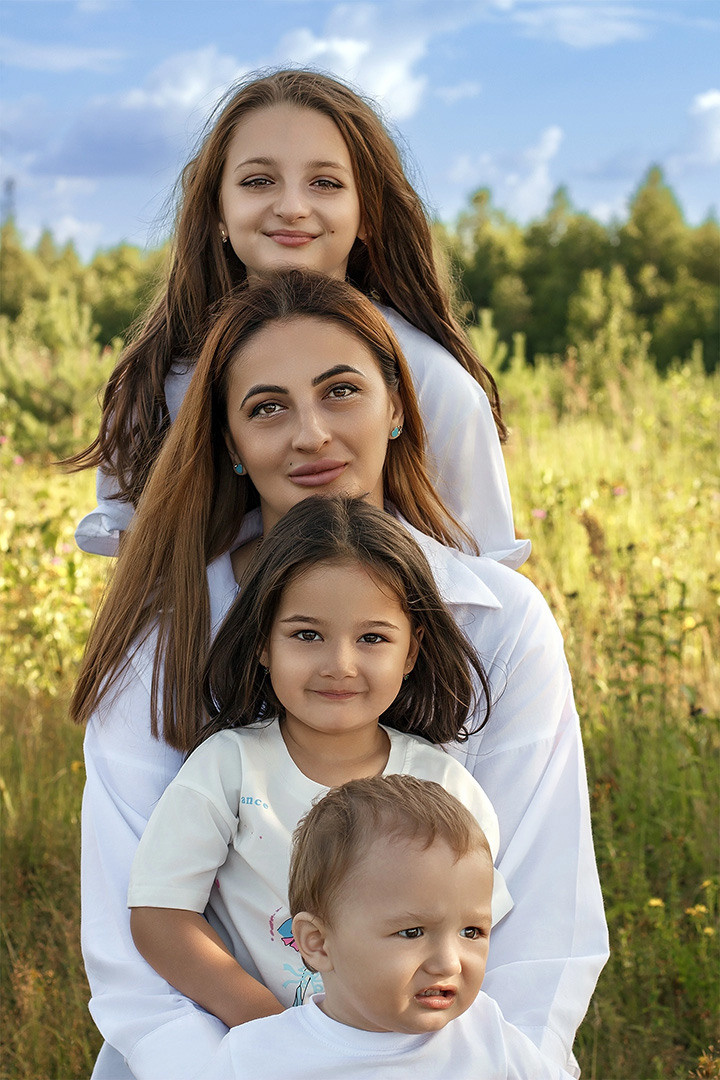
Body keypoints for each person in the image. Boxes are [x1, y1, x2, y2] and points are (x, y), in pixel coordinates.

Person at [75, 271, 608, 1080]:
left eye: (342, 391)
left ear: (396, 405)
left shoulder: (500, 621)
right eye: (267, 407)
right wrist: (285, 1055)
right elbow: (136, 945)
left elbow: (536, 935)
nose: (312, 434)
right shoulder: (166, 634)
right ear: (227, 438)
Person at [67, 67, 527, 567]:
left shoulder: (435, 384)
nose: (291, 207)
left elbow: (483, 598)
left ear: (367, 212)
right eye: (258, 181)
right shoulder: (158, 385)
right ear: (218, 209)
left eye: (325, 182)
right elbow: (141, 591)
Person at [127, 495, 512, 1024]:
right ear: (263, 641)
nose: (340, 665)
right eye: (307, 635)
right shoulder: (229, 768)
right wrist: (270, 1028)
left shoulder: (443, 785)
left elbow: (479, 931)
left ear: (412, 651)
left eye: (373, 638)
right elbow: (159, 914)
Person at [198, 775, 575, 1079]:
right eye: (413, 932)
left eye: (471, 932)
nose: (449, 963)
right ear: (319, 944)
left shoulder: (486, 1035)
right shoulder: (255, 1058)